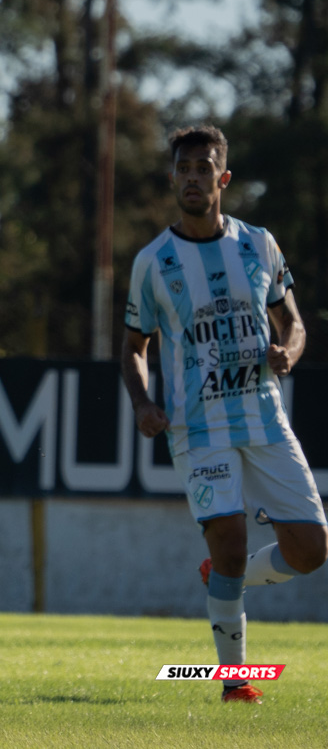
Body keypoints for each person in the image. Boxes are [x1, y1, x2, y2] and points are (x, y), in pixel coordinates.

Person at [122, 125, 328, 705]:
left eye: (203, 168)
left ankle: (223, 577)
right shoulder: (153, 263)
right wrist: (143, 403)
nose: (192, 178)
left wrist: (289, 350)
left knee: (312, 550)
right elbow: (133, 347)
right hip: (198, 427)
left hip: (264, 417)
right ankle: (236, 683)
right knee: (231, 539)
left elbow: (294, 322)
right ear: (173, 178)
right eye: (183, 169)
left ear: (223, 178)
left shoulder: (259, 243)